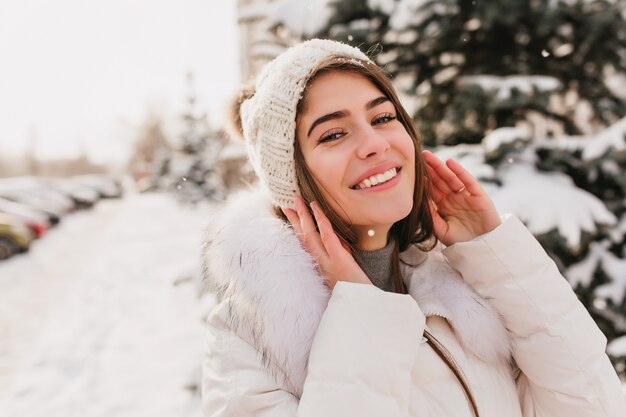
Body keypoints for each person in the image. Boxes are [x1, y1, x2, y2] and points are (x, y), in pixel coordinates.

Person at [201, 39, 626, 417]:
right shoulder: (249, 342)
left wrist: (495, 254)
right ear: (291, 179)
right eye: (332, 134)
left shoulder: (464, 288)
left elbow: (595, 406)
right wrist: (362, 310)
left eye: (383, 117)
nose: (375, 143)